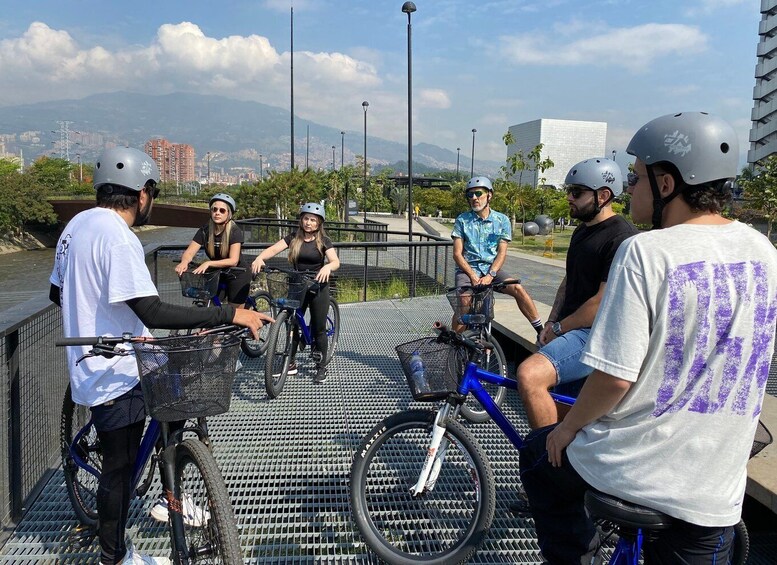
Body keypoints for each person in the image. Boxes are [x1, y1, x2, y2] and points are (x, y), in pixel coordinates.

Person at [519, 112, 777, 564]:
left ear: (666, 183)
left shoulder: (645, 250)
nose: (630, 189)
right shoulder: (763, 250)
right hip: (717, 495)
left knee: (540, 455)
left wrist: (568, 428)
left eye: (637, 178)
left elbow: (615, 378)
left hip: (639, 469)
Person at [49, 147, 272, 565]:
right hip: (111, 370)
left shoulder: (76, 225)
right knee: (118, 470)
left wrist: (88, 320)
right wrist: (230, 312)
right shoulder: (118, 237)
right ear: (142, 193)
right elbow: (151, 310)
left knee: (175, 409)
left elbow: (56, 293)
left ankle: (173, 491)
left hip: (117, 356)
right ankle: (114, 556)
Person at [516, 158, 637, 430]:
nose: (569, 197)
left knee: (530, 375)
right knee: (562, 408)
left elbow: (600, 303)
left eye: (577, 192)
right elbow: (568, 281)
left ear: (603, 195)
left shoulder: (622, 238)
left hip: (593, 333)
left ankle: (544, 462)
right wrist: (550, 322)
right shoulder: (582, 231)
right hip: (568, 329)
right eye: (568, 191)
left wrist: (559, 327)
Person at [251, 202, 340, 383]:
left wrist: (328, 267)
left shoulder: (324, 241)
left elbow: (335, 261)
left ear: (319, 223)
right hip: (297, 284)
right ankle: (290, 363)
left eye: (313, 220)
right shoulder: (293, 237)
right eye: (306, 219)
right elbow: (274, 249)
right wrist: (260, 257)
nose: (309, 223)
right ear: (301, 220)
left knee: (319, 328)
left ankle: (321, 367)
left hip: (317, 286)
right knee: (292, 323)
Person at [451, 176, 542, 334]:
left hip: (492, 269)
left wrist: (491, 274)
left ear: (489, 195)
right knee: (464, 300)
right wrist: (472, 275)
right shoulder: (462, 220)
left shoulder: (502, 220)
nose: (474, 198)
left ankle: (541, 331)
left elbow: (502, 252)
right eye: (470, 195)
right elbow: (457, 254)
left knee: (518, 288)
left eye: (478, 194)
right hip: (468, 269)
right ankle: (455, 345)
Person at [174, 193, 252, 308]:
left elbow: (233, 260)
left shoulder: (234, 231)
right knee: (210, 306)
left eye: (222, 210)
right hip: (217, 273)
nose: (217, 213)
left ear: (229, 214)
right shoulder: (205, 230)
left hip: (238, 273)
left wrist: (209, 263)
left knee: (236, 314)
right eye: (214, 209)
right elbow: (190, 252)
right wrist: (184, 262)